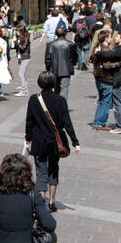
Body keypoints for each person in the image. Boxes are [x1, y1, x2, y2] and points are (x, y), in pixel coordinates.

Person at [24, 70, 81, 211]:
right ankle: (52, 201)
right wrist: (75, 141)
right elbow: (67, 123)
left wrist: (28, 138)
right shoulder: (60, 100)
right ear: (54, 83)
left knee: (41, 171)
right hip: (56, 143)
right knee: (53, 170)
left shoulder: (33, 99)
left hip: (39, 141)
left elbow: (29, 121)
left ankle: (42, 202)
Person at [96, 30, 121, 135]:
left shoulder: (120, 49)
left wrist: (98, 52)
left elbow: (107, 55)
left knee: (119, 103)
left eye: (117, 36)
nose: (115, 38)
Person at [89, 25, 120, 131]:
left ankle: (97, 122)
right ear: (106, 39)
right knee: (106, 102)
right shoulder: (105, 50)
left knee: (102, 101)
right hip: (106, 78)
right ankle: (100, 123)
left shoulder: (97, 49)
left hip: (98, 78)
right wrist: (119, 63)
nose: (111, 38)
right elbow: (107, 65)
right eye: (110, 36)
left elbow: (93, 60)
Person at [45, 25, 77, 99]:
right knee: (64, 88)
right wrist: (72, 64)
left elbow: (47, 59)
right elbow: (75, 57)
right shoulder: (70, 44)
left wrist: (48, 68)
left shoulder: (51, 44)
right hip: (66, 69)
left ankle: (57, 105)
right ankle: (62, 105)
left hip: (54, 69)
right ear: (65, 33)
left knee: (56, 88)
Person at [12, 25, 32, 97]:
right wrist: (14, 43)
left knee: (21, 73)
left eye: (17, 31)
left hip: (25, 57)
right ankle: (24, 88)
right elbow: (17, 47)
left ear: (21, 31)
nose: (16, 32)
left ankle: (24, 90)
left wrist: (17, 43)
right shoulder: (19, 38)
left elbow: (23, 48)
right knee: (22, 74)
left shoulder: (26, 38)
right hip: (20, 57)